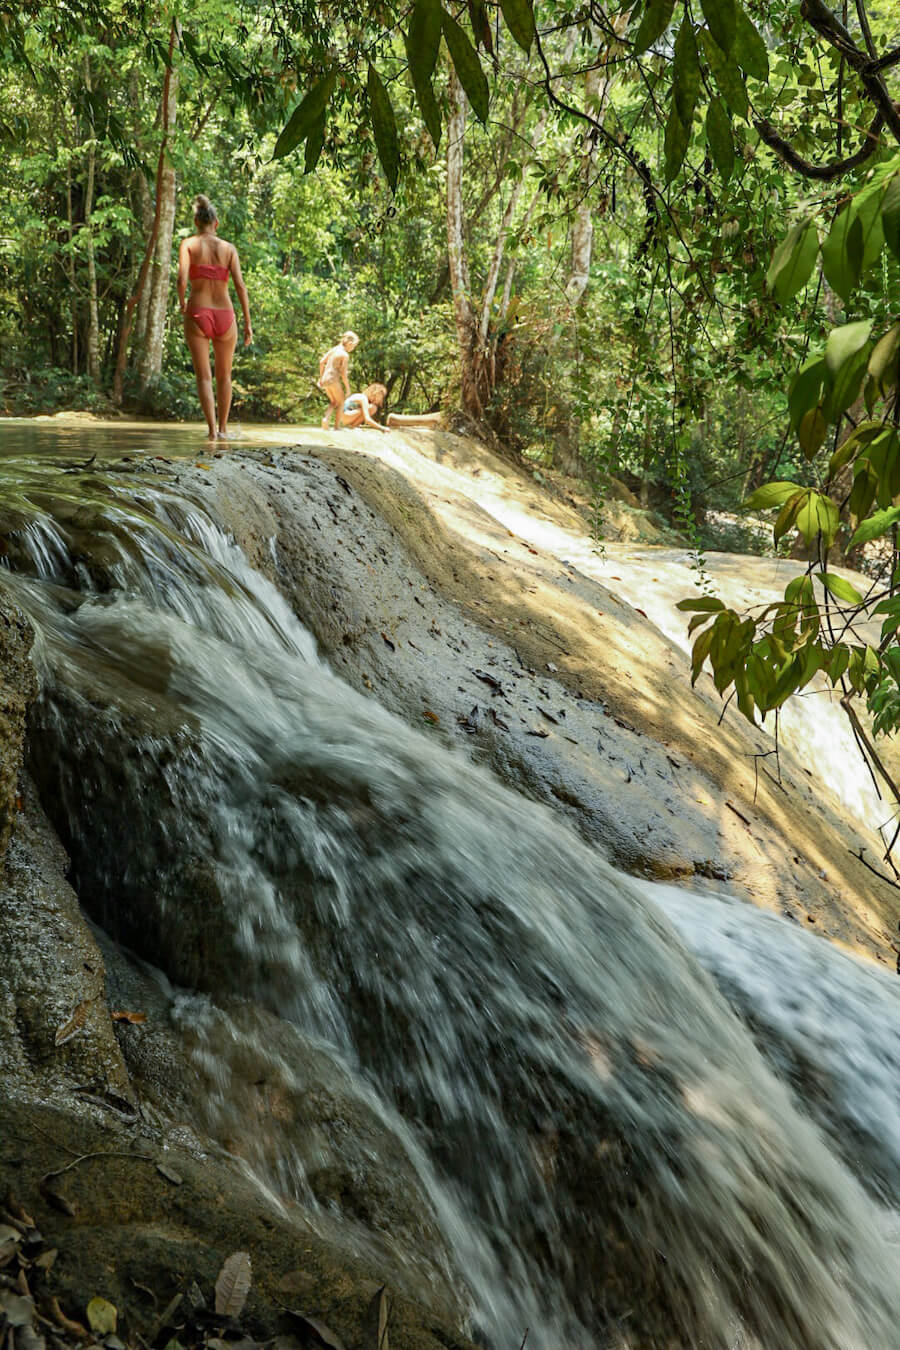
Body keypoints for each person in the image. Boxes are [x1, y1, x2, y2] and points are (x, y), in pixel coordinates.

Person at [177, 194, 252, 440]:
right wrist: (248, 324)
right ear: (216, 223)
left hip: (198, 311)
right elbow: (240, 286)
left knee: (204, 377)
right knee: (225, 376)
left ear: (196, 223)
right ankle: (223, 430)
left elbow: (181, 278)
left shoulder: (188, 244)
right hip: (226, 315)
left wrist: (182, 302)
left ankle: (211, 432)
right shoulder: (229, 249)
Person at [318, 331, 358, 429]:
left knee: (334, 401)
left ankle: (325, 419)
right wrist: (348, 388)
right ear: (350, 343)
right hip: (333, 379)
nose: (353, 349)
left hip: (325, 379)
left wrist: (321, 377)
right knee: (341, 402)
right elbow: (343, 373)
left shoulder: (335, 349)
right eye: (354, 346)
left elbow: (322, 362)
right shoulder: (344, 355)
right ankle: (336, 427)